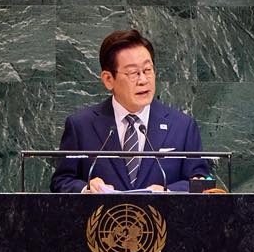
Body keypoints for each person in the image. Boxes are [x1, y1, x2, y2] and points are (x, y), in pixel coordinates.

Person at [50, 29, 212, 193]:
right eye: (133, 73)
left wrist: (167, 192)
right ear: (108, 79)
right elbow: (61, 182)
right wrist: (86, 189)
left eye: (148, 70)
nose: (143, 80)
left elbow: (201, 182)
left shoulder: (182, 126)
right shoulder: (81, 126)